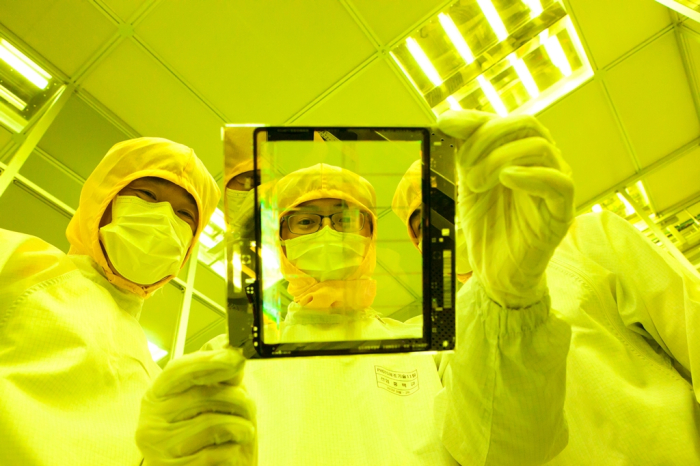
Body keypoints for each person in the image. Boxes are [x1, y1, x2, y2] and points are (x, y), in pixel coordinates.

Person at [136, 118, 574, 465]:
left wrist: (513, 298)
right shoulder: (230, 356)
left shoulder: (428, 347)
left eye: (344, 219)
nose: (326, 232)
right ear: (282, 242)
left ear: (370, 236)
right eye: (306, 221)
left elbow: (512, 449)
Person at [397, 110, 700, 464]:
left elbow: (690, 326)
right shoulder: (442, 341)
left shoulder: (588, 238)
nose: (443, 221)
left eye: (453, 195)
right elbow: (489, 450)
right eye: (423, 221)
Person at [0, 137, 223, 465]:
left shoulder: (154, 373)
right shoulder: (21, 263)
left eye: (184, 214)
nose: (163, 217)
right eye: (147, 194)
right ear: (101, 200)